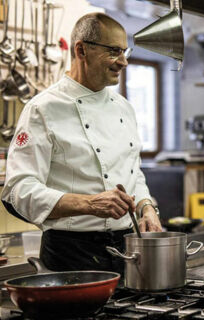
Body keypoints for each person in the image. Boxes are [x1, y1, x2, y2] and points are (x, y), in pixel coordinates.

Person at [1, 13, 162, 274]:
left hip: (126, 250)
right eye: (113, 51)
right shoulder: (42, 109)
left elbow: (134, 172)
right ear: (81, 50)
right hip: (70, 253)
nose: (123, 62)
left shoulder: (125, 108)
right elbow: (18, 191)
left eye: (125, 51)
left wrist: (147, 208)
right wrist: (89, 204)